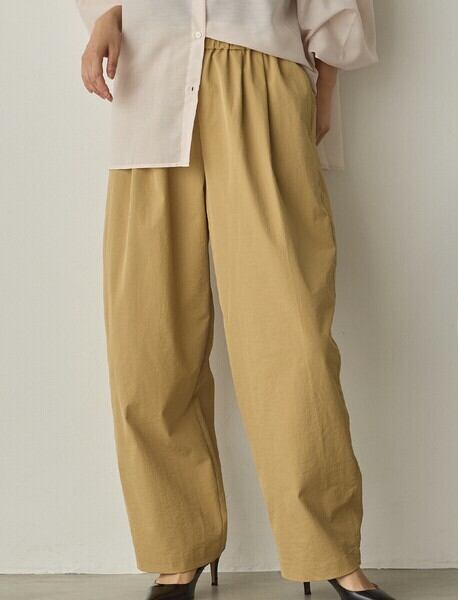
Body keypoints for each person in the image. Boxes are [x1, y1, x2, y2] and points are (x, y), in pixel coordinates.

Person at [77, 2, 394, 599]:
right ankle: (179, 548)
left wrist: (323, 94)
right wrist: (107, 14)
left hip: (261, 78)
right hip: (150, 83)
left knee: (292, 340)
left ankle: (327, 549)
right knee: (149, 342)